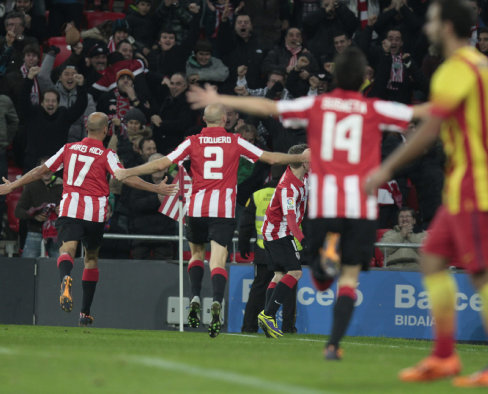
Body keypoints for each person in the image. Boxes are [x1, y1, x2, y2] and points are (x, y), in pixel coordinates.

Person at [186, 47, 419, 357]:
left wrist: (225, 100)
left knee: (297, 276)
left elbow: (271, 107)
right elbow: (420, 115)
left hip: (307, 218)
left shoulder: (318, 113)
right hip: (315, 220)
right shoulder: (370, 110)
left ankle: (273, 312)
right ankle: (294, 323)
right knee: (316, 275)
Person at [364, 0, 488, 389]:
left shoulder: (457, 67)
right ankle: (445, 357)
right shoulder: (486, 70)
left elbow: (431, 130)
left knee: (484, 273)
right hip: (471, 182)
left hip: (475, 186)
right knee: (432, 258)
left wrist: (384, 169)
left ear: (447, 25)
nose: (427, 27)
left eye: (432, 20)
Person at [114, 103, 310, 338]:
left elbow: (162, 163)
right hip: (223, 210)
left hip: (196, 208)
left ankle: (195, 295)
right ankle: (216, 300)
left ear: (204, 120)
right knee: (218, 259)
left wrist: (128, 172)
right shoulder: (235, 141)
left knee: (197, 255)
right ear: (225, 118)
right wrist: (297, 157)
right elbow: (270, 158)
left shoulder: (192, 141)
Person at [0, 112, 177, 326]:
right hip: (94, 212)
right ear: (105, 130)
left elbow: (41, 170)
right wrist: (154, 187)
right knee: (91, 259)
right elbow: (124, 176)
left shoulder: (69, 149)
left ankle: (65, 278)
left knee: (67, 249)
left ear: (86, 128)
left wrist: (12, 186)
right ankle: (85, 313)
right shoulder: (107, 154)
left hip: (71, 208)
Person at [258, 143, 309, 338]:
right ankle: (268, 314)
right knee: (295, 272)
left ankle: (267, 318)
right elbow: (289, 218)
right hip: (279, 233)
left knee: (279, 276)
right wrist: (302, 239)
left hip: (273, 232)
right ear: (302, 162)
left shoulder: (300, 176)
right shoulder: (288, 187)